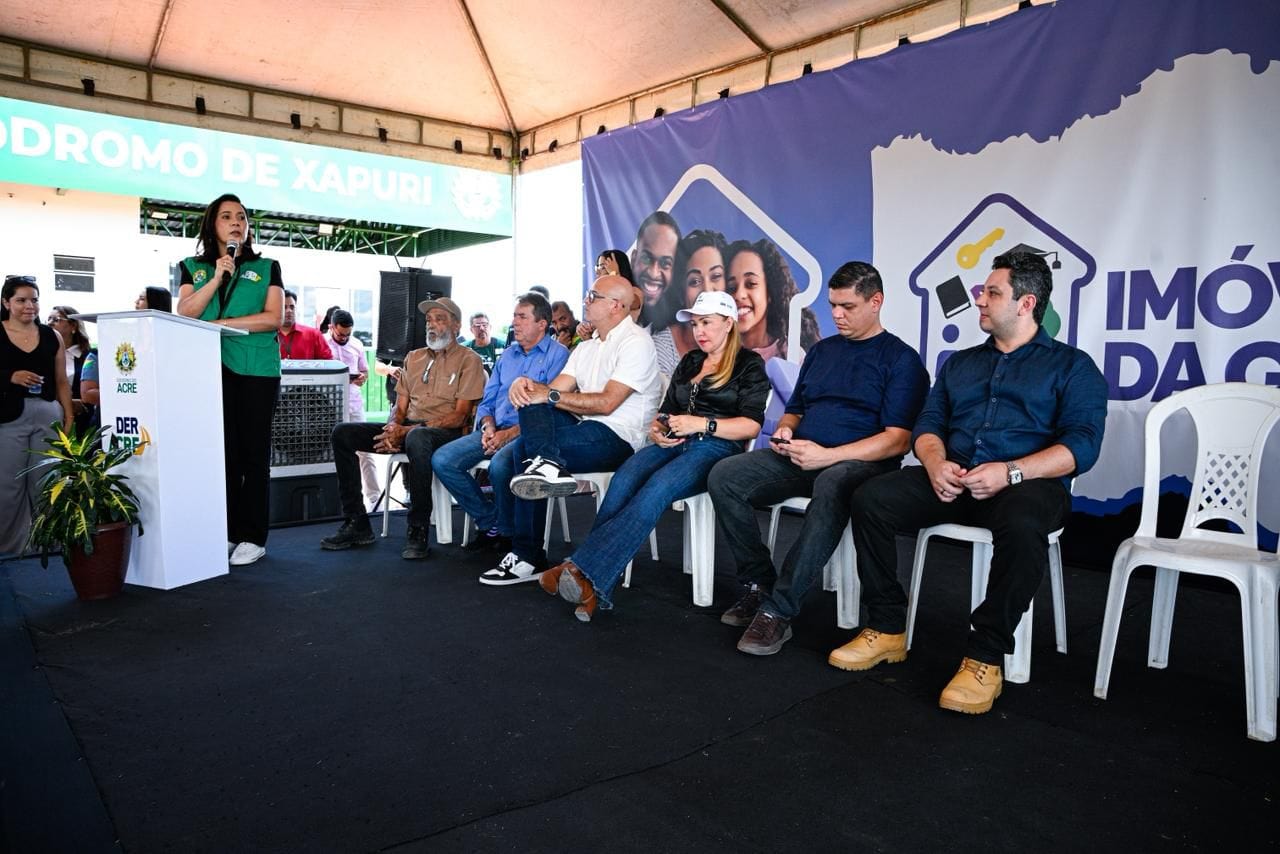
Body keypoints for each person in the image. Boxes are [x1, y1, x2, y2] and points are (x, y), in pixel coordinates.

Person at [840, 252, 1108, 715]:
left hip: (1025, 485)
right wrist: (935, 463)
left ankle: (985, 655)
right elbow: (928, 424)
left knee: (1024, 522)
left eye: (992, 293)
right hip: (954, 478)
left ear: (1026, 303)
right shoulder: (960, 364)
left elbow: (1082, 446)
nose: (980, 300)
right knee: (870, 498)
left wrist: (1012, 471)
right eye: (983, 291)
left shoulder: (1073, 367)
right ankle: (886, 627)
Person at [707, 261, 930, 656]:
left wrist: (827, 456)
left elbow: (897, 441)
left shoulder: (901, 360)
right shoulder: (822, 351)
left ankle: (779, 609)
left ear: (876, 302)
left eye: (848, 306)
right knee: (725, 474)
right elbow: (795, 409)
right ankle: (759, 584)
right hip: (804, 454)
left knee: (831, 482)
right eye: (833, 306)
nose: (837, 315)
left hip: (861, 466)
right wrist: (786, 430)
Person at [540, 291, 769, 621]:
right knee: (624, 478)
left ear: (729, 323)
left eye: (707, 323)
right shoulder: (691, 361)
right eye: (695, 324)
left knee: (656, 489)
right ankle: (589, 578)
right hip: (674, 440)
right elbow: (666, 410)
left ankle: (580, 568)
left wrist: (702, 424)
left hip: (716, 446)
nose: (699, 331)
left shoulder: (749, 364)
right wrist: (657, 428)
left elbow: (751, 425)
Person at [480, 275, 660, 585]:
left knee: (524, 446)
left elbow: (606, 403)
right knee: (531, 405)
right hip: (583, 427)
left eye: (593, 296)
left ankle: (528, 554)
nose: (586, 301)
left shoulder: (636, 342)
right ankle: (547, 466)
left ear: (616, 305)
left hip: (618, 437)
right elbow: (551, 391)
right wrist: (525, 386)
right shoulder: (585, 347)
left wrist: (545, 394)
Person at [320, 297, 485, 560]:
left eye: (439, 319)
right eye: (429, 320)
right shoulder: (414, 357)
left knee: (418, 437)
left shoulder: (469, 359)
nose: (431, 325)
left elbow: (460, 416)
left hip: (446, 434)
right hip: (408, 429)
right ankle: (357, 523)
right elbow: (400, 405)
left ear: (456, 325)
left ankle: (418, 528)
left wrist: (406, 432)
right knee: (343, 433)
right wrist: (393, 428)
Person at [176, 193, 284, 567]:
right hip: (209, 369)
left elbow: (272, 318)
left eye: (241, 216)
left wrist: (222, 324)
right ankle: (226, 531)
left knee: (253, 454)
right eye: (226, 216)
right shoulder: (192, 267)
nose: (236, 222)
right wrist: (217, 277)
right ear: (212, 224)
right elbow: (186, 311)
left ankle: (252, 536)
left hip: (256, 370)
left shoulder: (267, 267)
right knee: (223, 454)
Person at [433, 294, 570, 554]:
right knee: (443, 460)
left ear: (542, 324)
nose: (514, 322)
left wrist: (509, 435)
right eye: (514, 316)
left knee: (499, 466)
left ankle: (507, 535)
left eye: (522, 317)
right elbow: (488, 401)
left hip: (528, 434)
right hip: (494, 429)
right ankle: (491, 521)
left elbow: (550, 408)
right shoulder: (507, 356)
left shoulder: (559, 355)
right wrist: (488, 427)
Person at [1, 276, 74, 556]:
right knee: (8, 486)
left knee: (47, 482)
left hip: (47, 414)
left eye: (34, 300)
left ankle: (49, 543)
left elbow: (62, 381)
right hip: (7, 417)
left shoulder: (52, 336)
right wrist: (11, 376)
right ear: (6, 303)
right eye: (21, 300)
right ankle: (9, 548)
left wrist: (68, 417)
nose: (29, 306)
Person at [724, 238, 820, 361]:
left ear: (769, 291)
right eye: (731, 287)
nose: (739, 294)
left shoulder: (791, 356)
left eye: (751, 284)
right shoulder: (716, 354)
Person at [648, 229, 728, 375]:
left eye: (716, 276)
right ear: (681, 292)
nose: (707, 290)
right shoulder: (660, 350)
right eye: (695, 281)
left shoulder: (740, 342)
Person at [326, 309, 380, 511]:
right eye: (341, 334)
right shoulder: (321, 342)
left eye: (348, 334)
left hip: (354, 402)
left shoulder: (357, 344)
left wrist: (362, 377)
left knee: (366, 450)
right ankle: (338, 499)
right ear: (331, 327)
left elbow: (364, 371)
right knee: (333, 451)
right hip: (329, 405)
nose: (344, 338)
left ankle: (374, 497)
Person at [46, 305, 95, 434]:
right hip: (49, 419)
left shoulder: (90, 356)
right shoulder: (44, 354)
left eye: (56, 319)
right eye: (48, 319)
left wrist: (81, 404)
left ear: (73, 326)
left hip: (82, 422)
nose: (50, 323)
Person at [629, 211, 681, 313]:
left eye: (665, 263)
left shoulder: (684, 318)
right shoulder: (611, 309)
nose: (653, 273)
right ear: (634, 259)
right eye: (646, 259)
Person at [278, 290, 331, 360]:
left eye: (292, 307)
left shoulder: (314, 335)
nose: (289, 310)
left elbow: (328, 362)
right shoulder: (267, 336)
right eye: (284, 307)